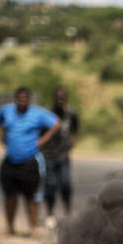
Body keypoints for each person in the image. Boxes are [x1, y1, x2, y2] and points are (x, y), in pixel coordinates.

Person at [0, 87, 60, 237]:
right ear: (15, 99)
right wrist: (0, 136)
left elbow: (56, 123)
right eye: (20, 98)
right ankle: (9, 227)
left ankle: (33, 228)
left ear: (29, 99)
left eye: (25, 98)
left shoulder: (37, 113)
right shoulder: (7, 110)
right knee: (9, 195)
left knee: (31, 196)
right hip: (10, 160)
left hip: (29, 161)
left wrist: (42, 141)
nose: (22, 101)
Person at [40, 87, 78, 226]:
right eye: (58, 97)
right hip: (49, 155)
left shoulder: (71, 113)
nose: (60, 100)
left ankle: (68, 215)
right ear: (54, 98)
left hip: (63, 155)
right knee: (50, 186)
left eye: (63, 97)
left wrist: (71, 144)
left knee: (66, 184)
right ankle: (50, 214)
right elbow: (40, 131)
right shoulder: (46, 113)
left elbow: (75, 130)